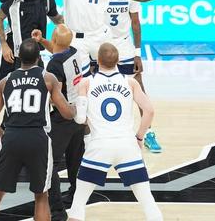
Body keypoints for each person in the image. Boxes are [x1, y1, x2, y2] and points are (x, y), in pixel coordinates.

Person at [0, 38, 75, 221]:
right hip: (38, 138)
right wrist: (76, 108)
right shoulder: (48, 79)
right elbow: (67, 114)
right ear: (39, 57)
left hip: (12, 137)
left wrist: (0, 133)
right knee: (41, 197)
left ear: (19, 57)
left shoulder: (5, 82)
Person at [68, 43, 162, 221]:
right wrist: (139, 137)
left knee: (78, 204)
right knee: (147, 201)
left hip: (99, 146)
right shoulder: (131, 82)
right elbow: (149, 111)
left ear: (97, 60)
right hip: (127, 145)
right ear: (118, 61)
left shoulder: (86, 83)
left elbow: (80, 119)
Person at [0, 0, 64, 158]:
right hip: (10, 52)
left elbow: (57, 19)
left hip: (32, 53)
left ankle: (19, 131)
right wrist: (3, 44)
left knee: (43, 90)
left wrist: (72, 27)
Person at [104, 0, 162, 152]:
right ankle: (95, 135)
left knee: (138, 88)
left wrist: (138, 53)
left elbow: (136, 24)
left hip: (124, 46)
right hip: (102, 45)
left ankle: (148, 132)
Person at [28, 24, 84, 220]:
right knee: (75, 159)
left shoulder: (54, 65)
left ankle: (57, 210)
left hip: (64, 117)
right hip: (79, 114)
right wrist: (42, 41)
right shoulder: (74, 51)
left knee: (49, 162)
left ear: (55, 40)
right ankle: (76, 195)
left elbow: (55, 96)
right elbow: (58, 50)